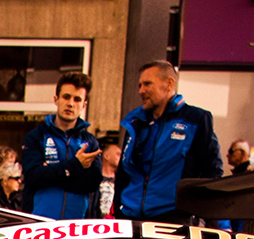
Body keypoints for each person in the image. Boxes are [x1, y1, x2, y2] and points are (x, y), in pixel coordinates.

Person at [115, 60, 219, 222]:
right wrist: (118, 211)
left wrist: (198, 212)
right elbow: (123, 173)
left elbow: (212, 170)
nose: (141, 91)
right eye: (139, 85)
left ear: (169, 83)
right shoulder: (135, 122)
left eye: (147, 84)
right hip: (130, 217)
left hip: (173, 219)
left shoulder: (195, 119)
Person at [21, 70, 101, 220]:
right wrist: (75, 165)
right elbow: (34, 177)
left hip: (76, 228)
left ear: (84, 104)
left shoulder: (90, 141)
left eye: (77, 99)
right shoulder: (36, 136)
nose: (70, 103)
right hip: (39, 225)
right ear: (56, 99)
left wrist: (52, 173)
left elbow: (92, 183)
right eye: (66, 97)